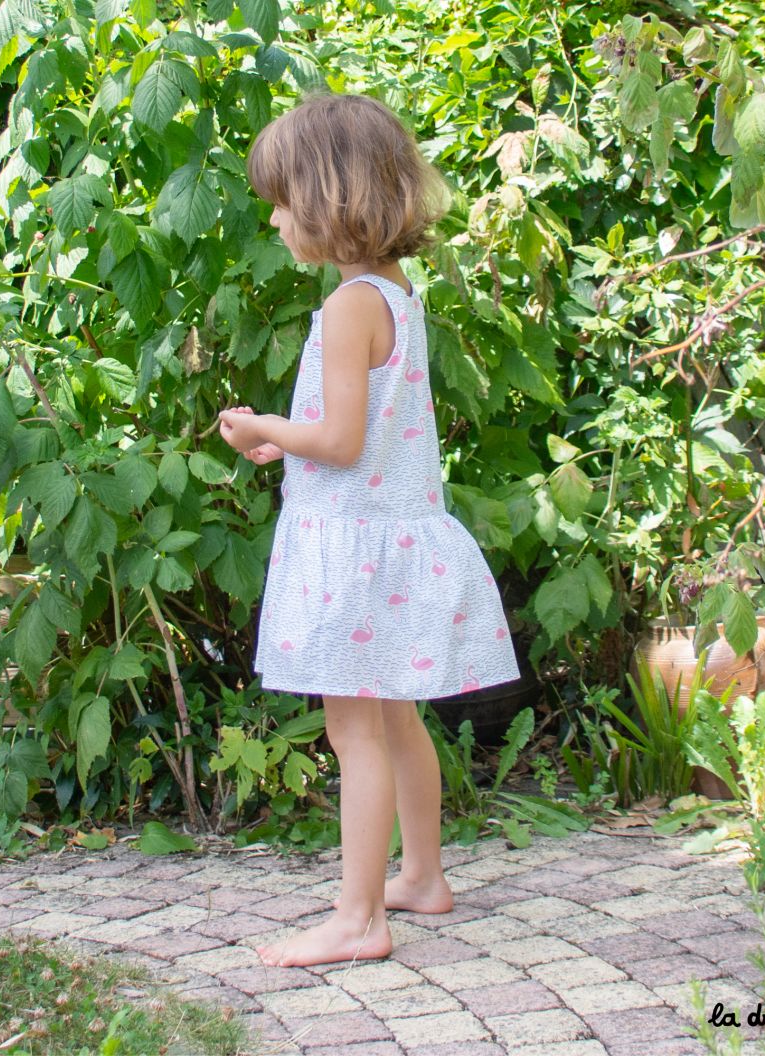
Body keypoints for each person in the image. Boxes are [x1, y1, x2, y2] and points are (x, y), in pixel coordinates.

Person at [218, 92, 520, 968]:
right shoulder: (394, 290)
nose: (274, 219)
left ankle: (358, 919)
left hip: (356, 554)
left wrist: (267, 429)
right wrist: (294, 442)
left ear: (325, 198)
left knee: (355, 731)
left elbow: (342, 442)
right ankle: (420, 876)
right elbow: (366, 430)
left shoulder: (349, 304)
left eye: (280, 201)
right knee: (396, 723)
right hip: (391, 536)